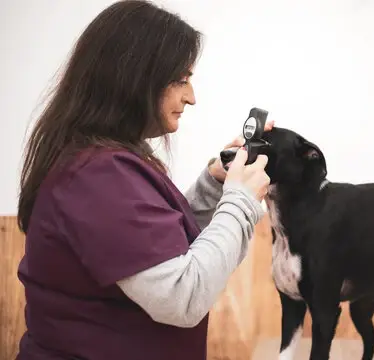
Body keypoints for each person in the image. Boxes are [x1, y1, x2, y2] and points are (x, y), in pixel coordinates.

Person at [15, 1, 272, 359]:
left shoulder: (96, 164)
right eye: (181, 79)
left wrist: (214, 187)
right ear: (134, 79)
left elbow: (158, 254)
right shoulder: (98, 177)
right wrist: (241, 199)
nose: (191, 98)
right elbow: (181, 296)